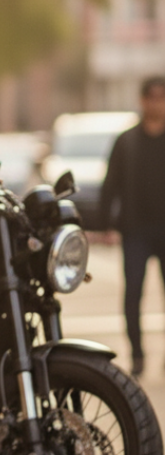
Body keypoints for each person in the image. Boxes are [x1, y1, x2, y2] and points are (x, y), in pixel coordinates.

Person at [99, 75, 165, 377]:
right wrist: (104, 223)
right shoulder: (126, 141)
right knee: (133, 295)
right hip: (135, 230)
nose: (157, 103)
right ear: (142, 101)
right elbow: (110, 184)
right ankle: (137, 355)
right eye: (152, 97)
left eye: (162, 97)